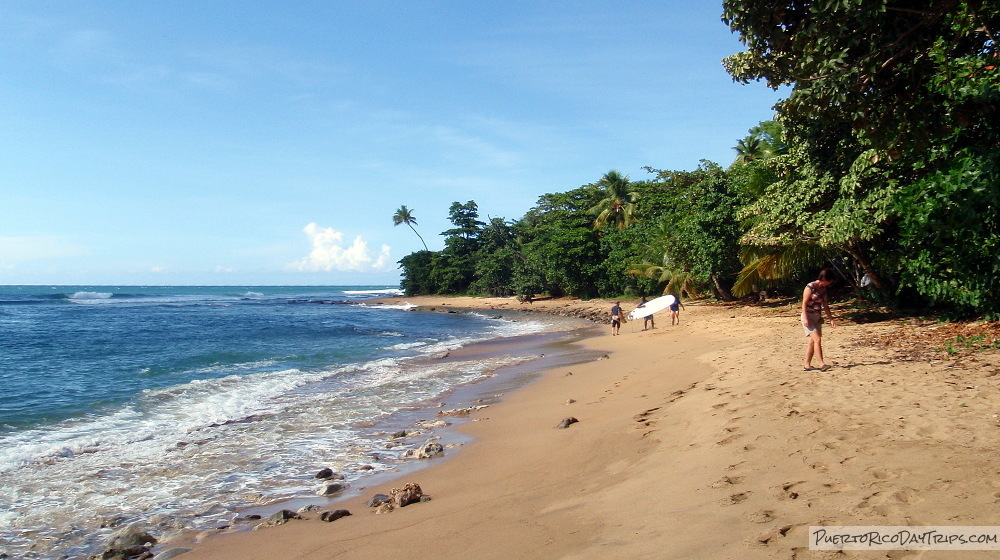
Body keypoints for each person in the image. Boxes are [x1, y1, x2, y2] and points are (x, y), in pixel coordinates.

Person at [801, 268, 837, 371]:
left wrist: (831, 319)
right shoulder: (810, 287)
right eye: (829, 281)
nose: (829, 284)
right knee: (817, 339)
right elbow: (804, 303)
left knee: (812, 342)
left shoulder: (824, 290)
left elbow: (825, 305)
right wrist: (806, 318)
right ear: (823, 279)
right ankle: (822, 364)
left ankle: (807, 365)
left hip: (817, 317)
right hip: (808, 316)